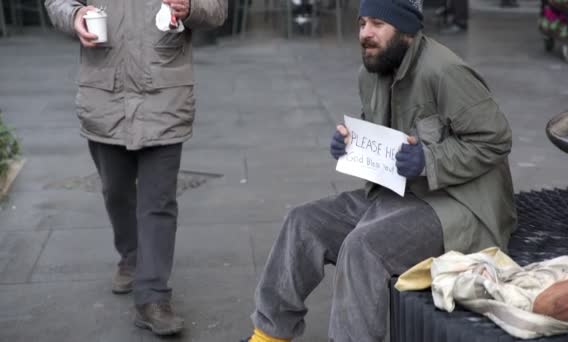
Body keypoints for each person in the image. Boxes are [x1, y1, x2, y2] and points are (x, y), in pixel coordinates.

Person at [242, 0, 516, 340]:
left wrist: (430, 161)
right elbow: (380, 141)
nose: (365, 34)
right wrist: (350, 147)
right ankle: (269, 335)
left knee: (363, 248)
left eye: (377, 24)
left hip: (458, 208)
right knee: (303, 222)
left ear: (406, 31)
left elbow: (496, 139)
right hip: (398, 195)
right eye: (361, 23)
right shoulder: (371, 71)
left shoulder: (445, 72)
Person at [44, 0, 227, 336]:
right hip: (104, 95)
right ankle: (131, 255)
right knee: (116, 191)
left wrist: (191, 8)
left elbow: (217, 9)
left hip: (165, 95)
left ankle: (153, 297)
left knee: (158, 202)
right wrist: (74, 15)